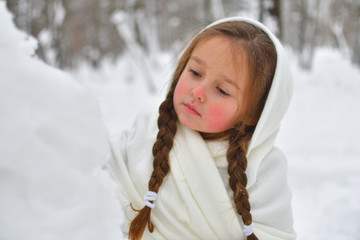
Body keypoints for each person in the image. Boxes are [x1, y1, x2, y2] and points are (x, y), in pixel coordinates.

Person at [106, 17, 296, 240]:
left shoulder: (263, 169)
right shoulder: (139, 140)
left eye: (222, 90)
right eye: (195, 73)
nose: (198, 92)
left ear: (255, 113)